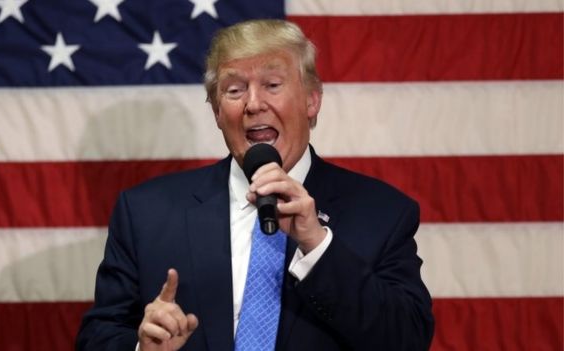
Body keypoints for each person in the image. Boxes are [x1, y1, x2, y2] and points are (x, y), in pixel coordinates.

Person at [76, 19, 434, 351]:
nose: (253, 103)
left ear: (312, 100)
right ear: (217, 111)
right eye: (234, 90)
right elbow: (97, 337)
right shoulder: (145, 213)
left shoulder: (382, 212)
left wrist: (317, 245)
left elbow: (407, 339)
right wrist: (143, 348)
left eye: (272, 85)